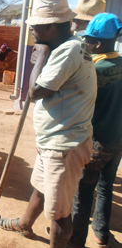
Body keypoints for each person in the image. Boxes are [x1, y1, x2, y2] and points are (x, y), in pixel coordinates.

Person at [0, 0, 97, 248]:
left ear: (52, 26)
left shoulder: (67, 51)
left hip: (63, 145)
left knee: (59, 214)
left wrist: (40, 57)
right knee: (41, 187)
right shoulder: (68, 46)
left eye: (36, 26)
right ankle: (25, 223)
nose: (31, 30)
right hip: (54, 140)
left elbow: (34, 91)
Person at [69, 13, 122, 248]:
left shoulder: (95, 69)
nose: (85, 44)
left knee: (82, 193)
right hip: (117, 139)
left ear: (97, 43)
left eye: (88, 40)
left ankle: (75, 240)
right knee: (106, 186)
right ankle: (101, 233)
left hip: (96, 142)